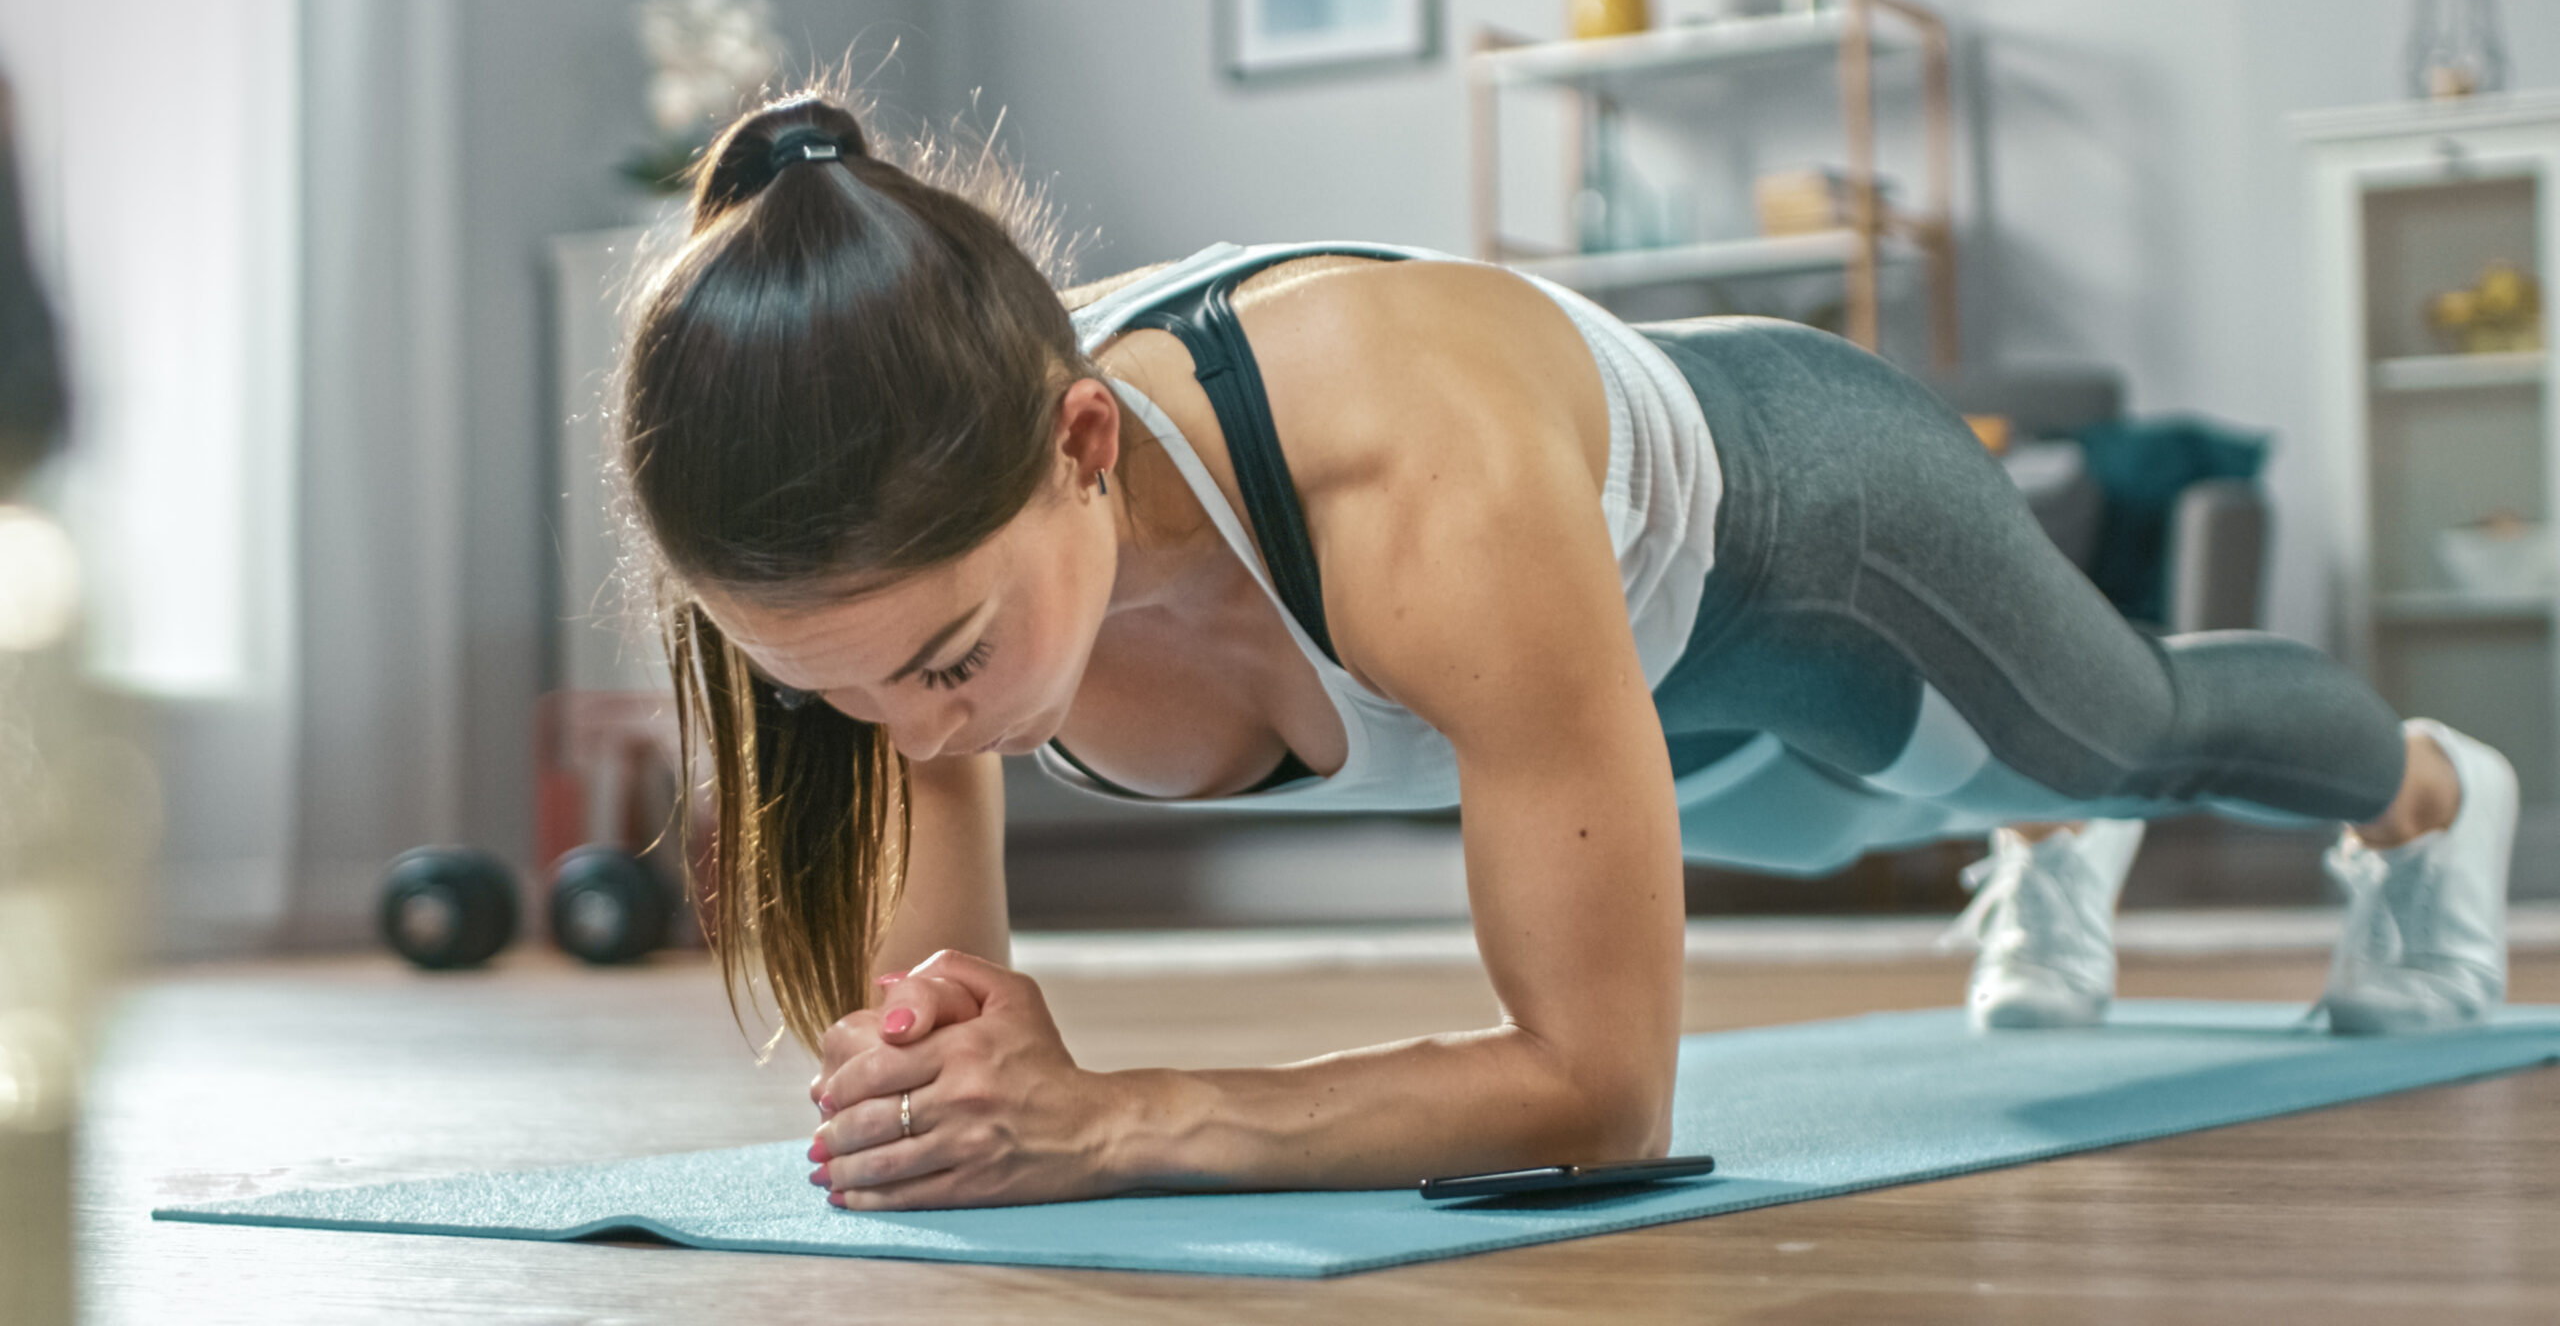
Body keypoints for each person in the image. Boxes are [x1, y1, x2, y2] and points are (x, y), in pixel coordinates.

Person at [614, 91, 2516, 1211]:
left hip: (1815, 541)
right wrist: (943, 1093)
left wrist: (1121, 1120)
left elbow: (1603, 1099)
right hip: (1627, 707)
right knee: (1813, 833)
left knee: (2104, 738)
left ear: (1088, 451)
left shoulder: (1406, 471)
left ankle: (2431, 801)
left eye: (944, 665)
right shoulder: (887, 525)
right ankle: (2022, 841)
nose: (903, 731)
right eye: (821, 688)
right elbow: (938, 1026)